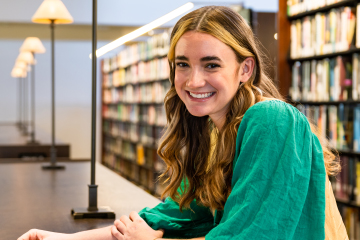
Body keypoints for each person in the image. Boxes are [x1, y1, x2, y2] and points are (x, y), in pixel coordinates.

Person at [18, 5, 347, 240]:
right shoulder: (213, 131)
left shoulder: (271, 120)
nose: (193, 81)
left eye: (211, 64)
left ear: (245, 69)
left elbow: (250, 235)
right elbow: (175, 214)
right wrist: (60, 238)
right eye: (183, 64)